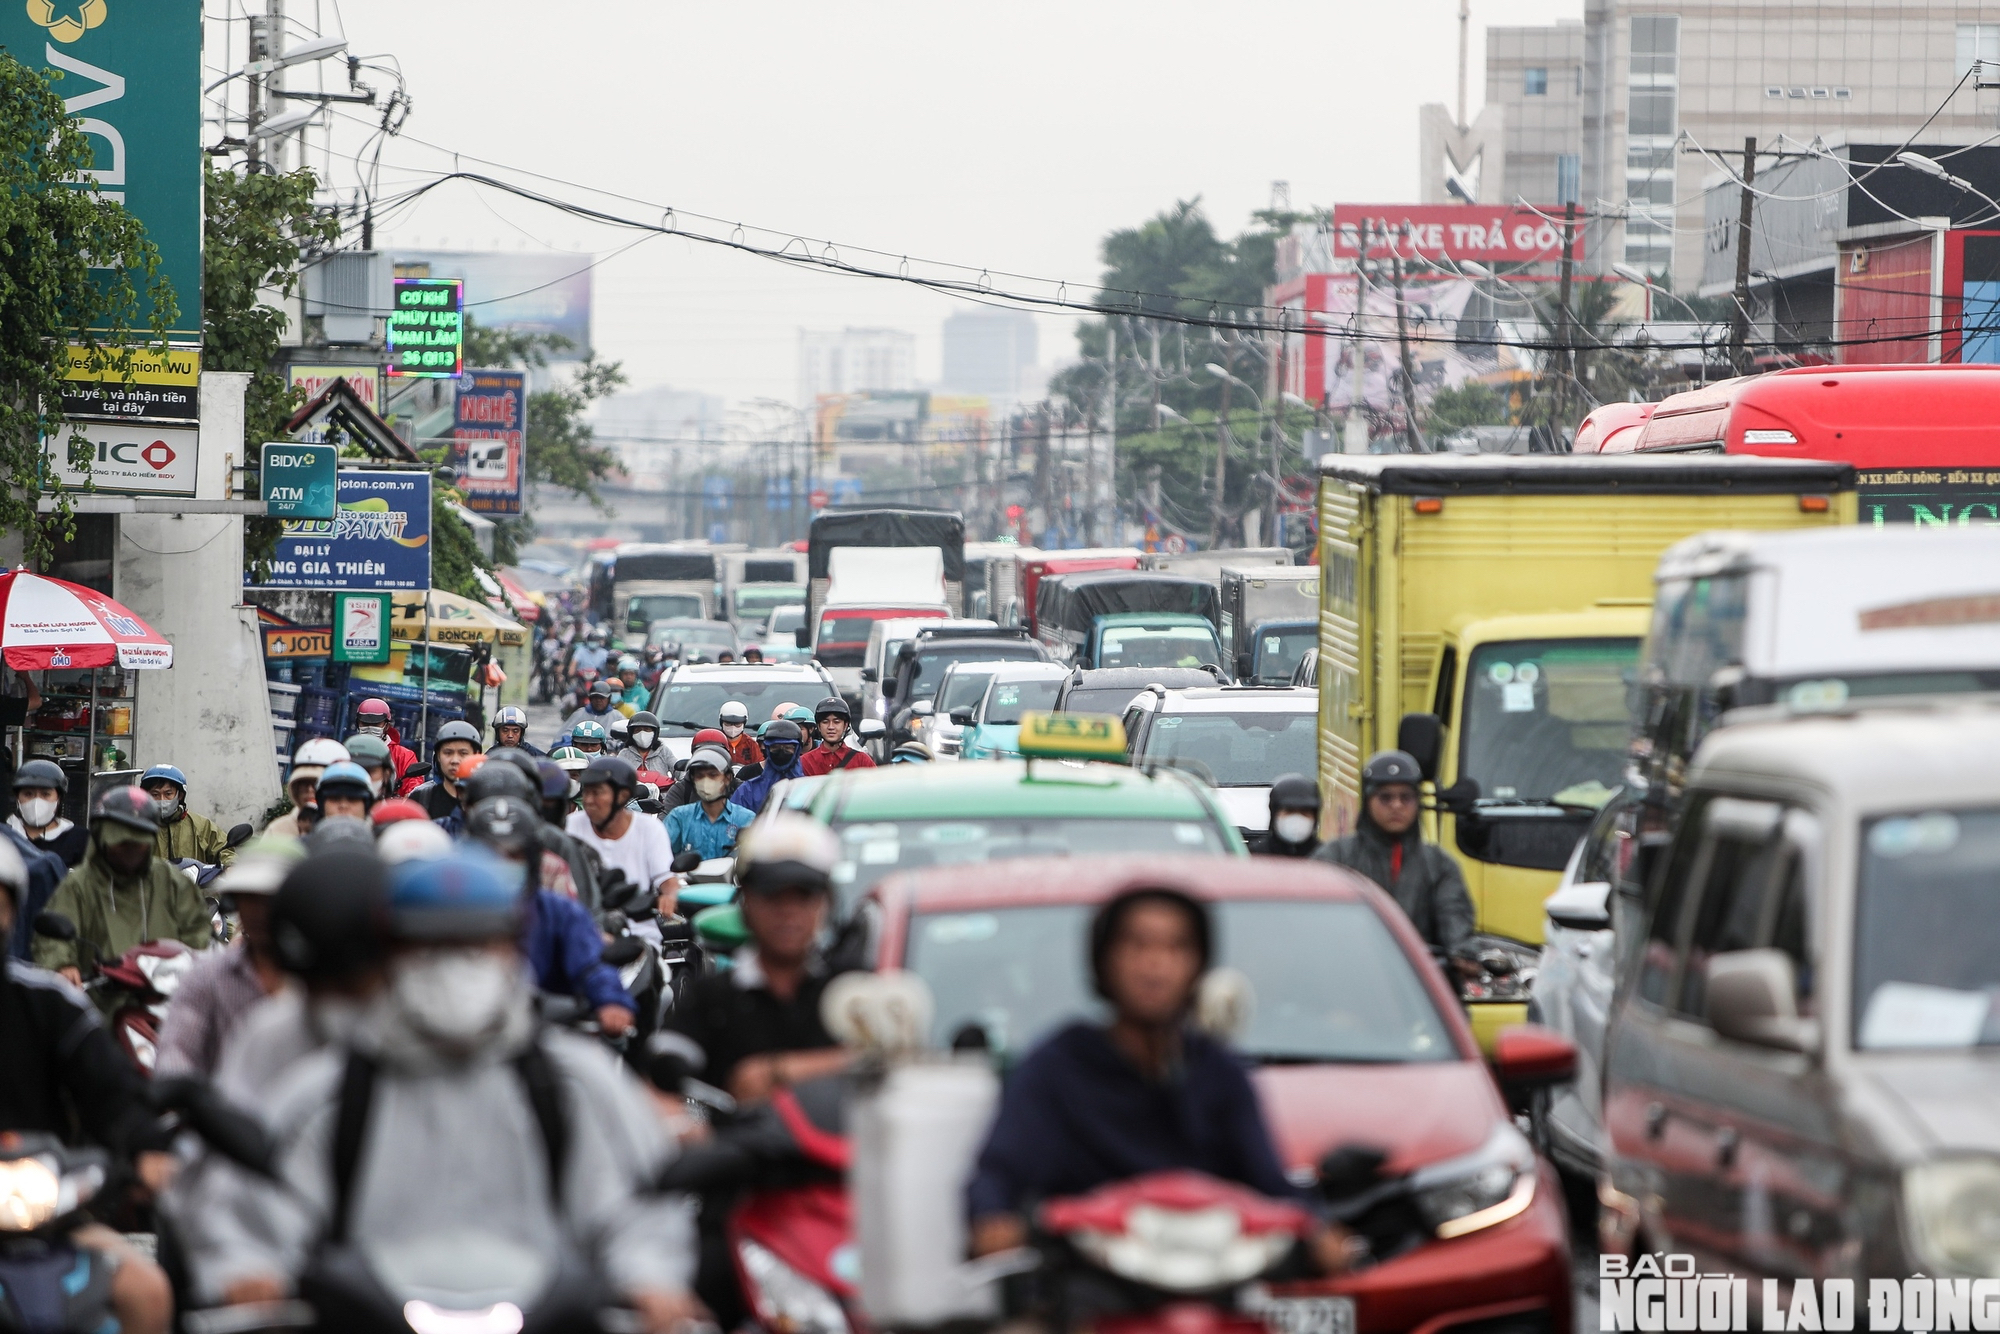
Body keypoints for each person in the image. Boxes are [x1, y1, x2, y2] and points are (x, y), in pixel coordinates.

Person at [209, 852, 700, 1332]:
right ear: (391, 952)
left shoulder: (573, 1082)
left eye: (476, 943)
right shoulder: (328, 1093)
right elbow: (259, 1212)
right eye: (430, 945)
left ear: (511, 948)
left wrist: (651, 1281)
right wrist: (252, 1273)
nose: (453, 963)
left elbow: (637, 1207)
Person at [967, 887, 1350, 1274]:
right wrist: (993, 1220)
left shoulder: (1219, 1072)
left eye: (1175, 949)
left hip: (1215, 1284)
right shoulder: (1057, 1066)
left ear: (1199, 966)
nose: (1155, 966)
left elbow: (1269, 1181)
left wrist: (1317, 1229)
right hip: (1086, 1287)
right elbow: (1001, 1171)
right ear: (1103, 961)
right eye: (1137, 946)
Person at [0, 834, 178, 1334]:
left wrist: (148, 1149)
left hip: (44, 1215)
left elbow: (111, 1090)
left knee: (147, 1292)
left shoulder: (48, 1002)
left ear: (13, 911)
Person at [666, 814, 851, 1101]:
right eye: (773, 895)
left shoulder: (852, 991)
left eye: (803, 896)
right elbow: (659, 1084)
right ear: (746, 902)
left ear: (825, 903)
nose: (788, 912)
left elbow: (887, 1064)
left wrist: (778, 1073)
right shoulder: (710, 999)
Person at [466, 794, 635, 1036]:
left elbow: (592, 964)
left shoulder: (560, 911)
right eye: (492, 855)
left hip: (546, 1035)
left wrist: (611, 1002)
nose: (502, 865)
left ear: (532, 860)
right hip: (463, 1041)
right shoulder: (450, 915)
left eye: (514, 855)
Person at [153, 835, 304, 1079]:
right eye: (249, 898)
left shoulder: (324, 977)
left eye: (270, 899)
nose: (258, 911)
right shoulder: (206, 978)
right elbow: (177, 1051)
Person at [33, 787, 215, 987]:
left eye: (139, 842)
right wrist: (63, 965)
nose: (130, 850)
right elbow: (52, 939)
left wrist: (197, 968)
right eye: (120, 842)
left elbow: (198, 932)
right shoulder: (79, 885)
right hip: (97, 1000)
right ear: (102, 837)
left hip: (165, 997)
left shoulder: (170, 881)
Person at [1314, 750, 1476, 966]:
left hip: (1418, 983)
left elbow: (1454, 918)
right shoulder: (1334, 858)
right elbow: (1315, 924)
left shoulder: (1439, 864)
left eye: (1406, 797)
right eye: (1385, 797)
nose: (1396, 805)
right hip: (1348, 977)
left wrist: (1462, 953)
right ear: (1368, 800)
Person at [566, 757, 679, 916]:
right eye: (586, 793)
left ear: (623, 795)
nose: (589, 801)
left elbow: (666, 879)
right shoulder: (570, 826)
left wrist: (670, 896)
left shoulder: (650, 829)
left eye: (597, 793)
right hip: (584, 924)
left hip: (638, 926)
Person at [665, 746, 753, 862]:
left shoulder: (746, 819)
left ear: (727, 778)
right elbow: (660, 853)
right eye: (700, 776)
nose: (706, 781)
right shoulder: (679, 817)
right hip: (688, 879)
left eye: (713, 775)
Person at [265, 737, 350, 838]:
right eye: (303, 784)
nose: (309, 790)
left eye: (317, 784)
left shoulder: (351, 833)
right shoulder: (278, 830)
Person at [11, 757, 88, 866]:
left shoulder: (79, 839)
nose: (36, 801)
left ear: (59, 798)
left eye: (45, 794)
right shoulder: (5, 836)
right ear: (17, 798)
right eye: (28, 794)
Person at [407, 719, 482, 822]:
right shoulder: (421, 797)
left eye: (463, 753)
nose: (455, 760)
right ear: (438, 756)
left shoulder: (486, 800)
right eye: (448, 753)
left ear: (476, 755)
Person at [729, 719, 804, 816]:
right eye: (775, 747)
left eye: (788, 747)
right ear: (767, 749)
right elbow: (732, 823)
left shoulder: (808, 790)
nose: (781, 752)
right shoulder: (747, 791)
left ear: (798, 749)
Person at [350, 697, 420, 795]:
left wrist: (408, 795)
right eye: (365, 723)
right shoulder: (348, 751)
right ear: (358, 724)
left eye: (376, 724)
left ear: (387, 726)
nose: (370, 728)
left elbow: (413, 786)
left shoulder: (404, 755)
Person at [799, 696, 875, 776]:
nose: (831, 727)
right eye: (825, 722)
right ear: (818, 726)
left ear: (845, 725)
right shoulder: (804, 762)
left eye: (837, 722)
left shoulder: (862, 760)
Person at [1251, 773, 1323, 858]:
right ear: (1274, 814)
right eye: (1289, 811)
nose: (1297, 818)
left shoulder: (1325, 857)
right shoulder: (1255, 856)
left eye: (1304, 812)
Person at [341, 733, 397, 802]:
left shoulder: (391, 812)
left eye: (369, 772)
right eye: (354, 771)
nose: (362, 777)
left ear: (386, 775)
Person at [717, 701, 763, 766]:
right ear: (721, 722)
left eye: (737, 724)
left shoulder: (751, 744)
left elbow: (759, 767)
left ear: (744, 723)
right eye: (727, 724)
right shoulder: (716, 743)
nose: (732, 728)